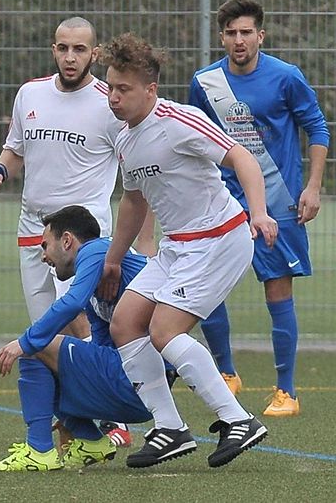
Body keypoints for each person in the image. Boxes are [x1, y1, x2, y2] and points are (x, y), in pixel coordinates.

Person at [96, 32, 277, 469]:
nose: (114, 97)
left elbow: (243, 158)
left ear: (150, 90)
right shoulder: (124, 139)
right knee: (124, 323)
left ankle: (237, 418)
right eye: (110, 87)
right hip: (179, 246)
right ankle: (170, 429)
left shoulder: (180, 120)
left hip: (221, 238)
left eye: (124, 89)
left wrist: (259, 213)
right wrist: (114, 259)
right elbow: (135, 202)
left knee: (165, 331)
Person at [0, 17, 144, 465]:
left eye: (80, 50)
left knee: (78, 326)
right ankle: (80, 432)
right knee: (43, 335)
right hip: (34, 231)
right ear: (54, 49)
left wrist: (128, 248)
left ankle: (114, 424)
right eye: (64, 48)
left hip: (84, 240)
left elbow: (136, 182)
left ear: (95, 53)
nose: (71, 57)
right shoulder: (30, 93)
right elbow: (15, 149)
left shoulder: (109, 104)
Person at [189, 0, 330, 417]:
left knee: (278, 290)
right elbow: (195, 140)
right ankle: (227, 372)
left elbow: (317, 127)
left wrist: (314, 187)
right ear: (221, 36)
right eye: (231, 33)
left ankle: (286, 391)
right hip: (221, 203)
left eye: (246, 32)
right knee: (206, 285)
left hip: (279, 200)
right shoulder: (205, 82)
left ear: (260, 35)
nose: (238, 40)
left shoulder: (286, 77)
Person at [0, 205, 154, 471]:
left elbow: (70, 303)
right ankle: (91, 441)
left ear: (67, 240)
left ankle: (39, 450)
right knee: (54, 364)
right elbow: (100, 345)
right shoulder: (99, 281)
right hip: (139, 392)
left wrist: (23, 343)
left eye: (45, 245)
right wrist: (73, 404)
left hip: (142, 385)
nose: (43, 256)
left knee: (37, 348)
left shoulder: (97, 249)